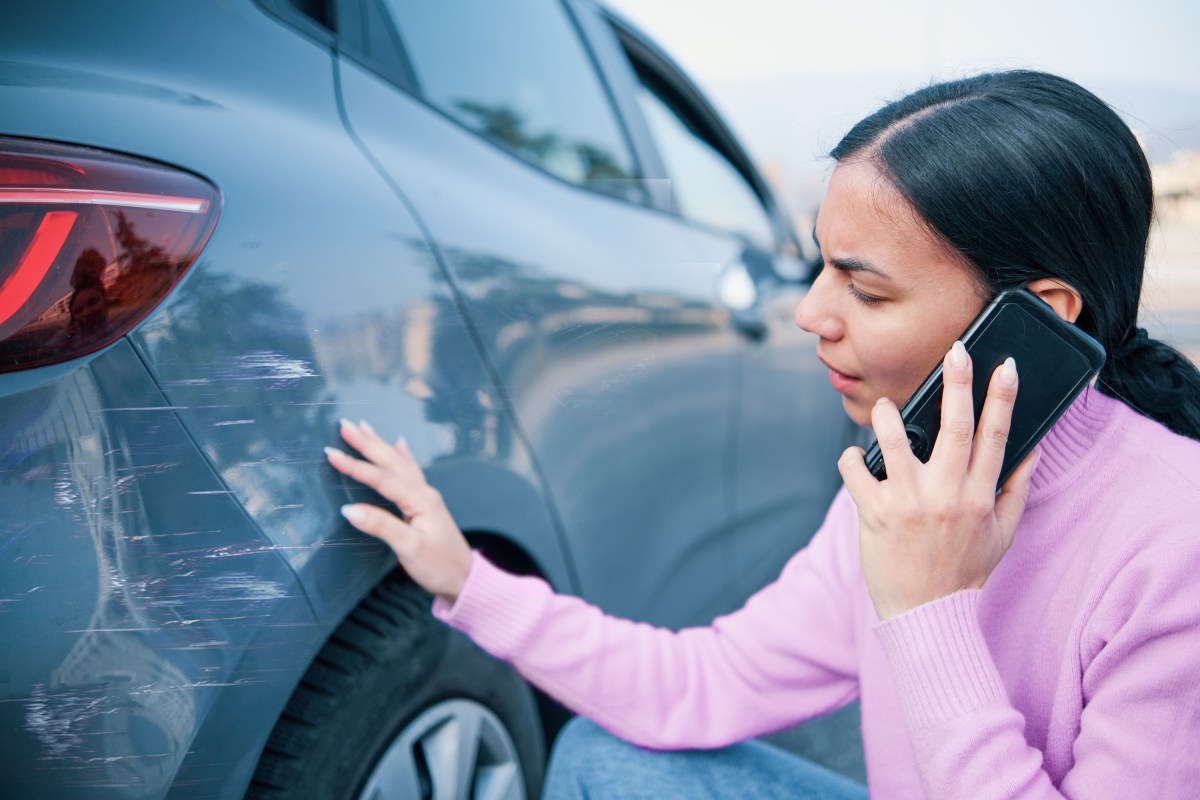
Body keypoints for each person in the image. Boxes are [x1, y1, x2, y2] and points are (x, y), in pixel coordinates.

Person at [324, 70, 1200, 799]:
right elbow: (703, 686)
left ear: (1035, 318)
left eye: (866, 289)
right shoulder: (900, 484)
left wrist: (930, 607)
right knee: (606, 760)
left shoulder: (1174, 540)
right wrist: (469, 580)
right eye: (820, 263)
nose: (812, 313)